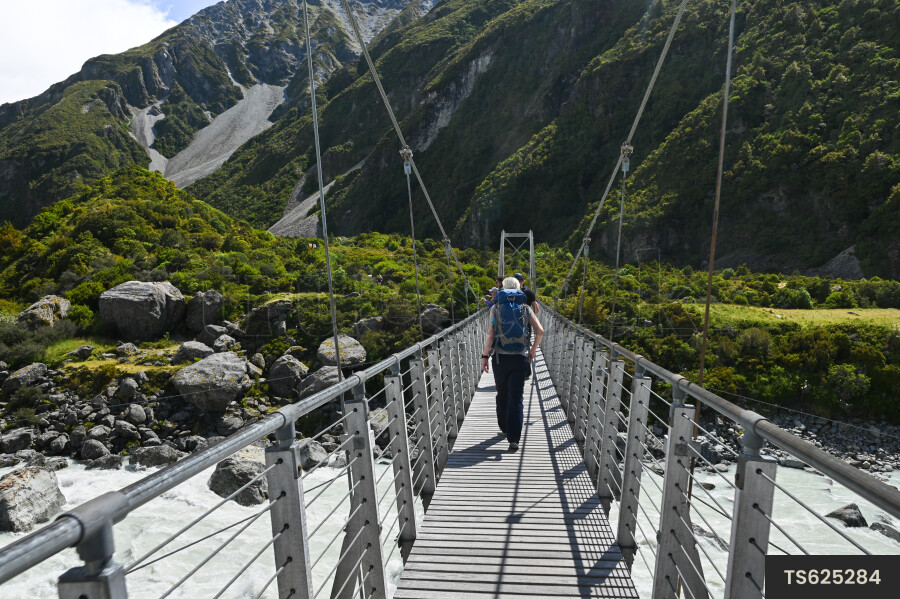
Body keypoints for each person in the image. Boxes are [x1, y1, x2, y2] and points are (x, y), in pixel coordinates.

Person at [481, 277, 543, 452]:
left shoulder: (496, 307)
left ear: (502, 289)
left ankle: (504, 428)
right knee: (516, 398)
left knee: (502, 394)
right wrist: (532, 350)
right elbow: (540, 330)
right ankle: (514, 438)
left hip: (500, 359)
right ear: (519, 290)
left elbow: (491, 334)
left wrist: (485, 355)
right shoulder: (525, 308)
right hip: (520, 358)